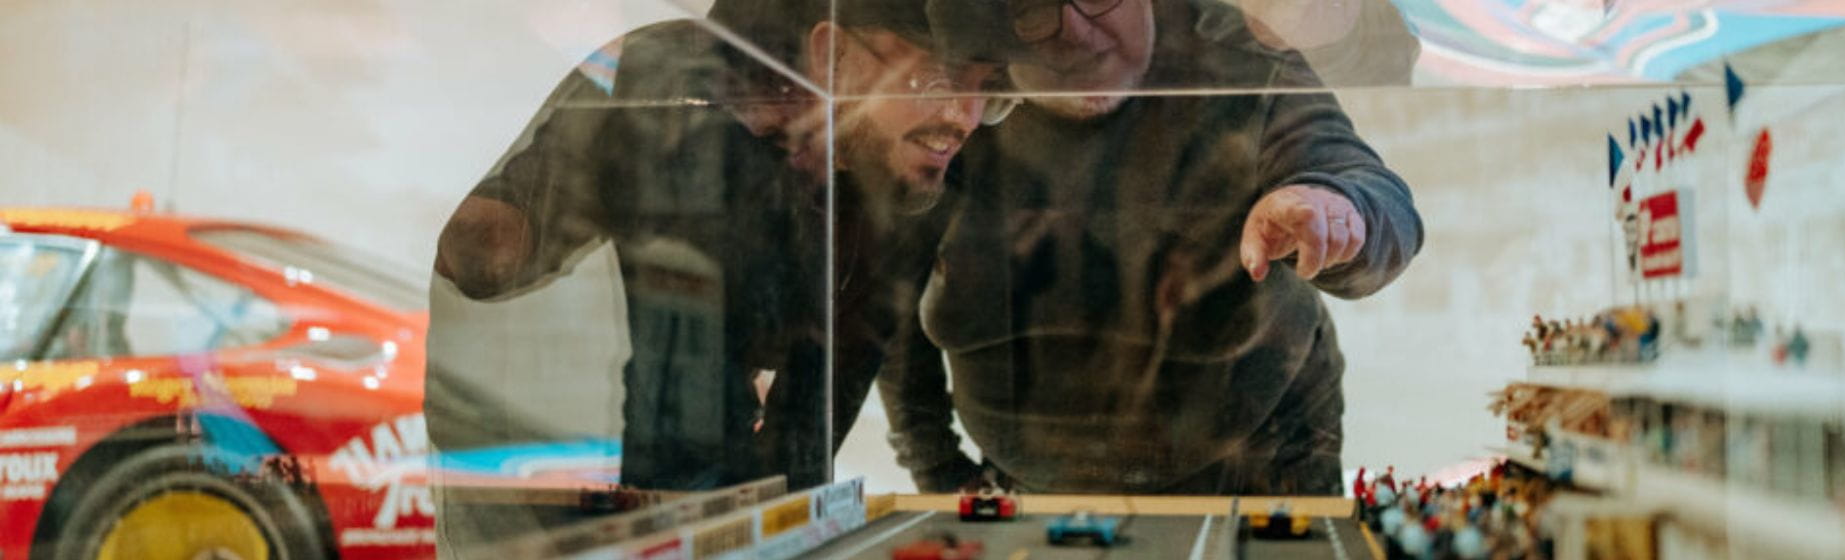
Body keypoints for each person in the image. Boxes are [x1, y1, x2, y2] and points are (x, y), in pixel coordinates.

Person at [424, 0, 1008, 538]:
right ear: (831, 56)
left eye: (991, 91)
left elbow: (838, 380)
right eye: (940, 81)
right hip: (590, 487)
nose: (966, 117)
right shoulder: (687, 103)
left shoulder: (925, 168)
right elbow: (484, 261)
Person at [878, 0, 1423, 495]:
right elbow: (890, 300)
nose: (1072, 31)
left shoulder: (1235, 55)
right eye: (1030, 5)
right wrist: (940, 473)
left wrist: (1333, 205)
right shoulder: (959, 96)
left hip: (1257, 461)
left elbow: (1376, 198)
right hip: (1021, 482)